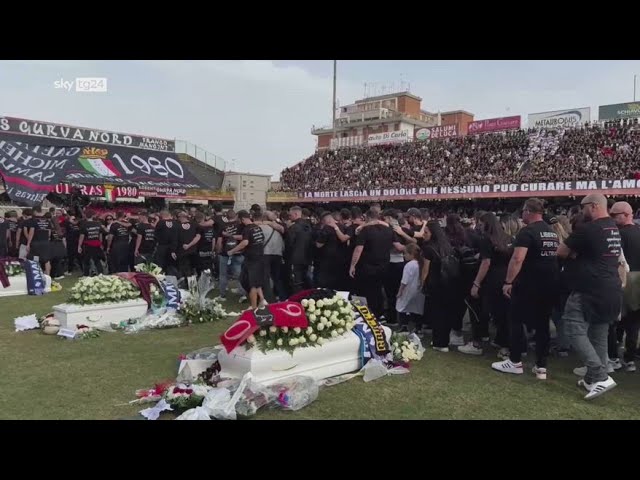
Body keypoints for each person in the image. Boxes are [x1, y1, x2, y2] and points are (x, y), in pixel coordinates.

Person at [558, 194, 624, 399]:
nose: (581, 211)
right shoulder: (613, 228)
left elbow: (561, 252)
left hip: (589, 289)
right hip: (611, 287)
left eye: (583, 207)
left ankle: (600, 375)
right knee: (598, 334)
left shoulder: (587, 229)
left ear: (594, 206)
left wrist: (575, 254)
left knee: (572, 328)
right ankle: (593, 379)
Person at [492, 198, 560, 380]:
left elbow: (517, 259)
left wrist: (508, 282)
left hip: (528, 283)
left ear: (529, 211)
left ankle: (514, 362)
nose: (521, 215)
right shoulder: (551, 232)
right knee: (542, 326)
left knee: (515, 319)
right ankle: (541, 367)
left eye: (523, 211)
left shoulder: (527, 232)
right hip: (549, 284)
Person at [460, 212, 512, 356]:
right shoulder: (508, 238)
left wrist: (476, 283)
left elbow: (486, 262)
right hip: (505, 277)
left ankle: (477, 343)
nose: (479, 226)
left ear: (486, 224)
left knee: (479, 310)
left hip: (490, 279)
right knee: (502, 313)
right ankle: (503, 344)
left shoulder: (486, 240)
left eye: (481, 224)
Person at [610, 201, 640, 372]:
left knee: (616, 319)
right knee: (633, 322)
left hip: (624, 279)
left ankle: (615, 356)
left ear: (627, 214)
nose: (612, 218)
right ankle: (629, 358)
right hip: (636, 279)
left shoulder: (618, 234)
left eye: (615, 215)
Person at [421, 220, 459, 352]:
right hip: (449, 283)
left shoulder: (428, 248)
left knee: (437, 313)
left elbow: (425, 270)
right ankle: (444, 341)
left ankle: (439, 342)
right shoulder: (447, 245)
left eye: (426, 232)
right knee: (446, 313)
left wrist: (422, 284)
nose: (423, 235)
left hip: (435, 283)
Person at [350, 209, 393, 319]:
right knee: (379, 290)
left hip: (368, 266)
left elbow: (358, 249)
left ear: (368, 218)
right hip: (384, 264)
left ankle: (369, 314)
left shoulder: (365, 230)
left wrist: (352, 265)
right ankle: (380, 313)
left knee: (368, 291)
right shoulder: (388, 229)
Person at [227, 210, 265, 310]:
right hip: (260, 257)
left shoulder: (247, 229)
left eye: (239, 220)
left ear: (242, 219)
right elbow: (261, 240)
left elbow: (245, 242)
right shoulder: (257, 228)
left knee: (252, 283)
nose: (238, 222)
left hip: (251, 259)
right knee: (257, 282)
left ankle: (253, 307)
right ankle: (262, 300)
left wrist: (232, 251)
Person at [255, 211, 286, 302]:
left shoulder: (260, 227)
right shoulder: (279, 228)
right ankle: (282, 296)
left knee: (266, 277)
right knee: (277, 277)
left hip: (265, 254)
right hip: (277, 254)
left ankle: (268, 299)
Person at [315, 211, 350, 289]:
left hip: (328, 261)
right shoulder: (344, 227)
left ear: (324, 221)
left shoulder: (326, 228)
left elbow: (319, 245)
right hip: (342, 260)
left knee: (327, 285)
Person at [396, 243, 425, 333]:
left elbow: (404, 280)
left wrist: (400, 291)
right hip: (419, 290)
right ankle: (418, 328)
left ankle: (404, 326)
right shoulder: (421, 264)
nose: (404, 256)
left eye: (405, 253)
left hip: (408, 290)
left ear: (411, 254)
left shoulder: (409, 265)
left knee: (402, 307)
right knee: (417, 309)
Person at [217, 210, 245, 299]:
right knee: (239, 274)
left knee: (223, 275)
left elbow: (219, 241)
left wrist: (218, 251)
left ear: (226, 217)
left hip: (225, 254)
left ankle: (222, 295)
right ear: (236, 216)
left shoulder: (222, 226)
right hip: (238, 252)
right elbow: (244, 237)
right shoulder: (240, 226)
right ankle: (242, 294)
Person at [286, 206, 313, 293]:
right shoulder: (308, 226)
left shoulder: (293, 228)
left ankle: (298, 299)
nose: (289, 217)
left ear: (296, 214)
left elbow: (289, 244)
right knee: (305, 278)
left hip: (295, 258)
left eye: (290, 215)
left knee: (296, 281)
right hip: (307, 257)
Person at [25, 206, 52, 275]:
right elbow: (49, 233)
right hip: (46, 242)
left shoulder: (34, 220)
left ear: (34, 211)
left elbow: (31, 232)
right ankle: (48, 276)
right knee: (47, 260)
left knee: (34, 258)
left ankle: (36, 274)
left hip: (36, 242)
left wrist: (28, 243)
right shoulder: (47, 220)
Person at [78, 211, 105, 276]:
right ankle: (101, 273)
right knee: (97, 260)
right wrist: (101, 243)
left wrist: (79, 246)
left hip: (88, 244)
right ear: (92, 216)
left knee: (86, 260)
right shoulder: (98, 223)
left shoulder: (84, 224)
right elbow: (100, 234)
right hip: (97, 244)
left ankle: (86, 274)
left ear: (85, 216)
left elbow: (82, 236)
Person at [176, 211, 201, 280]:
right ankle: (192, 284)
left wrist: (187, 246)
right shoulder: (195, 225)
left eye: (178, 217)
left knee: (184, 270)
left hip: (182, 251)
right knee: (192, 269)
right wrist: (190, 245)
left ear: (181, 217)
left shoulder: (177, 226)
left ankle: (187, 285)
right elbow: (198, 237)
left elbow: (175, 239)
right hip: (193, 251)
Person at [154, 210, 179, 277]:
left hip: (162, 247)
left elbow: (155, 234)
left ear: (161, 216)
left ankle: (161, 279)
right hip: (173, 247)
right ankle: (172, 280)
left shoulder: (160, 222)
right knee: (171, 265)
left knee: (160, 266)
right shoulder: (176, 223)